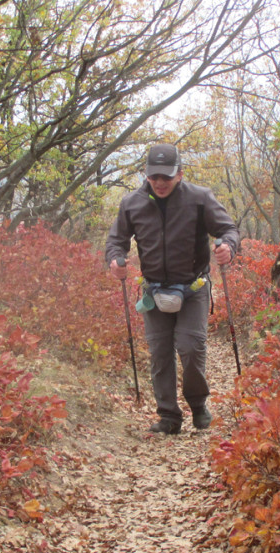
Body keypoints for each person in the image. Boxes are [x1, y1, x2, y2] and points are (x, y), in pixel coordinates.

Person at [105, 143, 239, 434]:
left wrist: (228, 247)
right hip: (153, 291)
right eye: (155, 176)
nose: (160, 182)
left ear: (179, 174)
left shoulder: (200, 199)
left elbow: (228, 229)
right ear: (146, 174)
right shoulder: (132, 203)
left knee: (191, 347)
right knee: (160, 353)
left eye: (167, 176)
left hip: (193, 288)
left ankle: (198, 405)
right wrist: (115, 260)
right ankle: (168, 417)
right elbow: (116, 240)